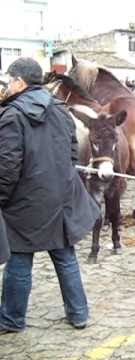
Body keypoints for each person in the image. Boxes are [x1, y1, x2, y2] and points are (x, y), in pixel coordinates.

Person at [0, 58, 100, 333]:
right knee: (65, 256)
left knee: (19, 261)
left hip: (26, 203)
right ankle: (79, 314)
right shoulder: (59, 109)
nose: (8, 86)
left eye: (9, 80)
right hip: (59, 195)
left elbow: (7, 168)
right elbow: (72, 153)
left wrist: (1, 199)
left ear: (20, 81)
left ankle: (11, 319)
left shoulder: (11, 115)